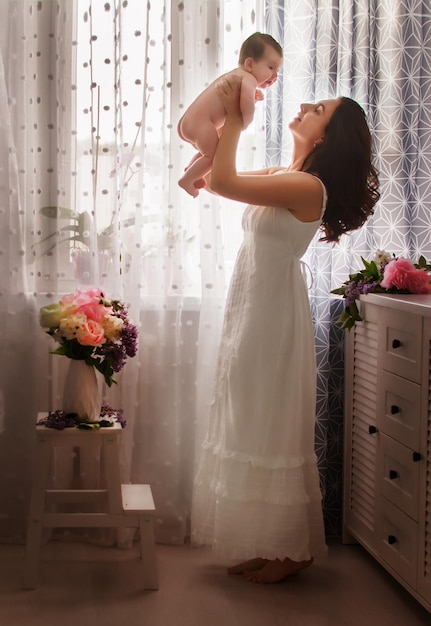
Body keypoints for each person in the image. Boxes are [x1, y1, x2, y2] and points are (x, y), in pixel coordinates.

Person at [191, 75, 380, 584]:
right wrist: (199, 155)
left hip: (272, 315)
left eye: (316, 108)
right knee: (250, 420)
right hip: (251, 305)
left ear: (324, 137)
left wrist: (235, 120)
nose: (301, 106)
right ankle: (267, 541)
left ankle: (292, 551)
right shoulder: (287, 171)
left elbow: (227, 182)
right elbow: (216, 177)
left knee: (269, 424)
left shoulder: (306, 186)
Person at [177, 32, 283, 197]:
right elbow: (246, 103)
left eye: (277, 70)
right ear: (249, 64)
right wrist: (245, 121)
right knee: (213, 157)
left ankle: (192, 171)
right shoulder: (248, 79)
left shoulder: (236, 76)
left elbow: (240, 98)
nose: (275, 75)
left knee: (214, 151)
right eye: (270, 67)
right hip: (200, 124)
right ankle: (186, 180)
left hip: (193, 123)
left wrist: (252, 96)